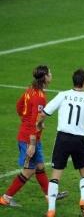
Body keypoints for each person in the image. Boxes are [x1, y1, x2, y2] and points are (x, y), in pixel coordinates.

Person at [0, 65, 67, 207]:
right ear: (45, 78)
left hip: (28, 134)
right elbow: (34, 120)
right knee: (29, 170)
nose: (51, 75)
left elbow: (19, 107)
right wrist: (32, 142)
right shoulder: (40, 97)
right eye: (50, 73)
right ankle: (6, 197)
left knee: (40, 167)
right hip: (29, 139)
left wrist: (30, 122)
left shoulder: (30, 90)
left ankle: (50, 195)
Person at [36, 68, 84, 217]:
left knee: (55, 175)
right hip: (79, 139)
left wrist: (40, 124)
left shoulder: (63, 95)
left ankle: (51, 210)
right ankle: (83, 199)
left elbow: (43, 113)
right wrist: (83, 131)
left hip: (62, 138)